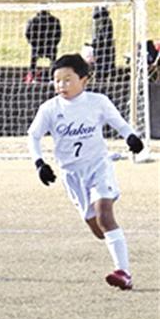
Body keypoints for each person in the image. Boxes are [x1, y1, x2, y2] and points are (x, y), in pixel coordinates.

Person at [27, 54, 144, 290]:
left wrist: (131, 136)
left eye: (68, 79)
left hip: (99, 166)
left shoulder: (97, 101)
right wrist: (39, 163)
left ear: (84, 80)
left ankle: (124, 273)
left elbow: (118, 122)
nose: (62, 85)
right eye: (57, 80)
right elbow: (34, 135)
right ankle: (113, 241)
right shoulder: (50, 108)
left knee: (105, 214)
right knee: (98, 229)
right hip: (72, 175)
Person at [24, 10, 61, 84]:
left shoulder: (32, 20)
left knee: (34, 61)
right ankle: (52, 78)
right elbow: (58, 34)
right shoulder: (55, 20)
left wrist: (32, 43)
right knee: (52, 61)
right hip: (50, 45)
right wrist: (54, 43)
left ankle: (34, 77)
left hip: (38, 45)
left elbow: (27, 33)